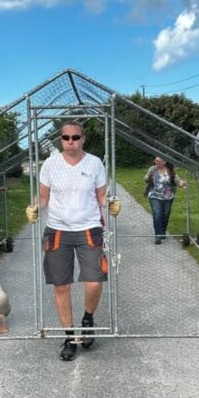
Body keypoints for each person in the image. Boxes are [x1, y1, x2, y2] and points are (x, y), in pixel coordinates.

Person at [25, 122, 121, 361]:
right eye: (66, 137)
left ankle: (87, 319)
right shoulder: (50, 164)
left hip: (89, 228)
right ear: (61, 139)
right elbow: (44, 195)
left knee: (94, 282)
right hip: (58, 230)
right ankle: (70, 337)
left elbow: (101, 195)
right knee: (61, 285)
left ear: (83, 139)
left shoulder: (95, 163)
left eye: (75, 137)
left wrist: (111, 202)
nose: (71, 141)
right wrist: (35, 206)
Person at [143, 156, 187, 244]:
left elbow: (177, 179)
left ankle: (163, 230)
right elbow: (146, 179)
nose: (157, 163)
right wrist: (148, 177)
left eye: (159, 161)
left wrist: (182, 184)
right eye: (156, 160)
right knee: (157, 214)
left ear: (164, 162)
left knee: (165, 214)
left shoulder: (170, 170)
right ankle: (158, 235)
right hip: (154, 195)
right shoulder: (152, 169)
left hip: (168, 196)